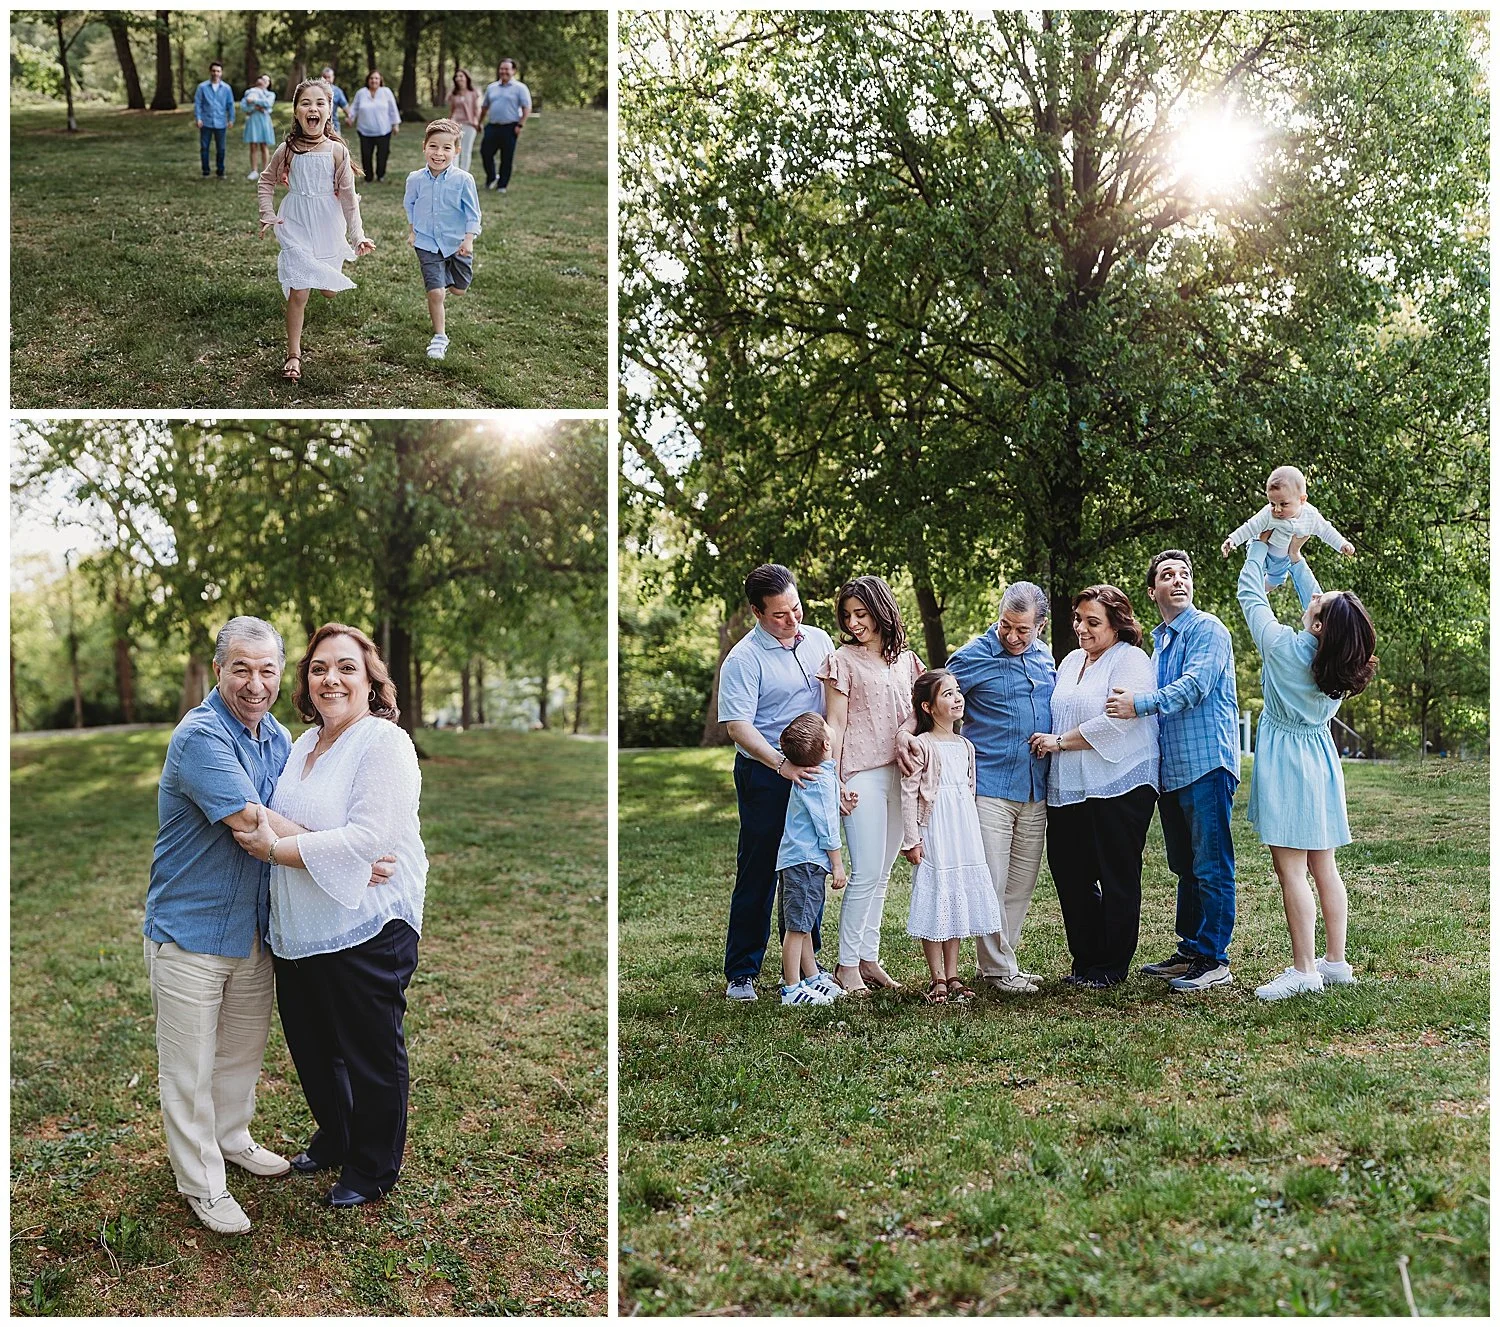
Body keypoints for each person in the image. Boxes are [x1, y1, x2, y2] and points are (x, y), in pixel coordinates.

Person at [143, 616, 393, 1235]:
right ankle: (202, 1183)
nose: (255, 683)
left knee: (239, 1056)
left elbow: (295, 805)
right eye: (241, 669)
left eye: (268, 670)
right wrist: (343, 853)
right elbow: (253, 820)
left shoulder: (279, 738)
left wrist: (337, 845)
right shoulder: (201, 736)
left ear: (280, 675)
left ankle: (232, 1138)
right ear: (217, 669)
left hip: (254, 930)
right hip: (190, 931)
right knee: (189, 1067)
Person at [234, 624, 427, 1205]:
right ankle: (338, 1135)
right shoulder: (299, 747)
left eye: (346, 667)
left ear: (371, 680)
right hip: (300, 927)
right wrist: (325, 847)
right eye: (319, 668)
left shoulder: (384, 744)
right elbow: (272, 816)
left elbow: (369, 838)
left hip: (367, 926)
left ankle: (372, 1166)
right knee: (314, 1050)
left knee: (369, 1053)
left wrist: (278, 849)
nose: (331, 678)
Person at [1237, 534, 1376, 1001]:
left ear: (1320, 626)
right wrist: (1295, 561)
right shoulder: (1337, 660)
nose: (1314, 595)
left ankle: (1303, 970)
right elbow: (1322, 611)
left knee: (1292, 871)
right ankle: (1335, 961)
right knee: (1324, 865)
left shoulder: (1281, 647)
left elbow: (1249, 593)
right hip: (1319, 759)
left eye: (1320, 601)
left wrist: (1260, 548)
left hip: (1287, 763)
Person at [1105, 550, 1240, 993]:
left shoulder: (1208, 630)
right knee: (1185, 865)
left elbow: (1195, 688)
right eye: (1167, 575)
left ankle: (1214, 958)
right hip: (1173, 770)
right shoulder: (1160, 642)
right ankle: (1190, 949)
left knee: (1211, 864)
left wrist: (1137, 705)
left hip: (1207, 764)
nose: (1178, 580)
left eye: (1184, 574)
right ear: (1153, 591)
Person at [717, 564, 836, 1001]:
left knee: (809, 866)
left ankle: (809, 965)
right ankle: (743, 971)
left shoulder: (820, 641)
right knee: (760, 867)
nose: (792, 619)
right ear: (756, 612)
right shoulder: (744, 659)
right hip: (765, 773)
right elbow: (737, 727)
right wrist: (782, 764)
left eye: (796, 608)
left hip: (814, 770)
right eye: (780, 614)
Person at [931, 580, 1055, 995]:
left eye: (1023, 629)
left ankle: (1001, 963)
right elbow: (929, 698)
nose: (1013, 637)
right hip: (989, 785)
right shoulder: (971, 657)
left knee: (1021, 884)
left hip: (1037, 788)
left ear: (1041, 625)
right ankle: (1001, 970)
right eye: (1006, 626)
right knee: (994, 880)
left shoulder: (1045, 658)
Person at [1030, 586, 1159, 988]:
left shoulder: (1131, 660)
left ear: (1116, 624)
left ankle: (1112, 966)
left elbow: (1119, 720)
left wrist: (1059, 742)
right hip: (1069, 785)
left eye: (1092, 622)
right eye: (1078, 619)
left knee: (1117, 874)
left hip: (1119, 783)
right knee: (1070, 875)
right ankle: (1085, 960)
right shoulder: (1070, 661)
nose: (1081, 629)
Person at [817, 575, 923, 996]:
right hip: (860, 774)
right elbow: (836, 725)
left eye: (861, 614)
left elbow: (918, 712)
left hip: (900, 773)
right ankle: (846, 967)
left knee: (882, 874)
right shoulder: (841, 661)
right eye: (847, 615)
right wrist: (834, 778)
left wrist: (905, 733)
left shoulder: (907, 661)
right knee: (863, 872)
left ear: (882, 611)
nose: (854, 622)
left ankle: (868, 959)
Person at [256, 80, 375, 384]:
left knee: (329, 290)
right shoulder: (287, 149)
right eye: (305, 103)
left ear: (328, 111)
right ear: (296, 112)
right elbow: (266, 181)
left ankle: (328, 277)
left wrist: (358, 234)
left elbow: (348, 198)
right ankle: (293, 355)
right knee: (300, 290)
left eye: (320, 103)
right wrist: (267, 213)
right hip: (295, 223)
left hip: (327, 223)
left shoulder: (337, 151)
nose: (313, 108)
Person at [899, 670, 1005, 1004]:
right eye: (947, 694)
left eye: (957, 692)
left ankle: (954, 973)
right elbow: (909, 793)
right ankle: (937, 978)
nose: (956, 698)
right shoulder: (922, 745)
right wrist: (912, 839)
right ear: (928, 707)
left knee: (956, 897)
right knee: (936, 897)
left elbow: (968, 790)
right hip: (936, 828)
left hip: (962, 829)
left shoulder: (965, 745)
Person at [773, 713, 848, 1007]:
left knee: (803, 921)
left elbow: (823, 810)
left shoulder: (819, 774)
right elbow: (827, 827)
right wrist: (838, 864)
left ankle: (812, 976)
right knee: (797, 927)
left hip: (798, 859)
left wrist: (842, 801)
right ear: (827, 743)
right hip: (806, 860)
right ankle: (792, 989)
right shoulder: (819, 780)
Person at [405, 118, 482, 362]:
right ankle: (440, 337)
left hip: (456, 243)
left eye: (446, 148)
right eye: (434, 146)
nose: (439, 153)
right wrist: (412, 230)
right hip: (426, 242)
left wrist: (468, 239)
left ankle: (447, 275)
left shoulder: (463, 180)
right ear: (424, 147)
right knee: (436, 293)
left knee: (459, 289)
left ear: (456, 151)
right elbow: (410, 205)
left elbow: (473, 213)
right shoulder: (415, 179)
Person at [1222, 464, 1354, 589]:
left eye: (1283, 504)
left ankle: (1263, 590)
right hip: (1262, 550)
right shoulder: (1268, 514)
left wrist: (1342, 544)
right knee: (1254, 571)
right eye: (1272, 503)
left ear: (1302, 500)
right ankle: (1253, 589)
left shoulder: (1310, 516)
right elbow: (1250, 526)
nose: (1277, 509)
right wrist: (1233, 539)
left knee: (1277, 579)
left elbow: (1326, 530)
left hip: (1281, 559)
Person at [478, 58, 531, 192]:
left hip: (510, 126)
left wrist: (520, 125)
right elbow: (484, 107)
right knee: (485, 152)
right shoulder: (492, 87)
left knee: (506, 157)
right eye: (501, 69)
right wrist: (479, 122)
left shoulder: (520, 88)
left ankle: (502, 185)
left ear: (513, 71)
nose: (503, 71)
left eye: (507, 69)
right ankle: (491, 177)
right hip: (493, 126)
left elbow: (527, 108)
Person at [347, 70, 401, 183]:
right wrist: (350, 118)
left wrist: (395, 124)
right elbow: (354, 107)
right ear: (368, 80)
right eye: (371, 78)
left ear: (380, 80)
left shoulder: (386, 92)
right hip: (364, 131)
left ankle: (380, 175)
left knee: (382, 154)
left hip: (383, 130)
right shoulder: (361, 93)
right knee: (366, 155)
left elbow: (392, 109)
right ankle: (368, 177)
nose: (374, 80)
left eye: (376, 78)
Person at [193, 61, 236, 179]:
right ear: (210, 72)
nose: (215, 73)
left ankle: (220, 172)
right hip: (205, 122)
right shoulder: (202, 87)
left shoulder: (226, 88)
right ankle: (205, 172)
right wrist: (198, 118)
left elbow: (230, 104)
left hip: (221, 123)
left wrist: (231, 119)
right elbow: (198, 104)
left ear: (221, 73)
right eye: (213, 71)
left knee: (221, 149)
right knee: (204, 148)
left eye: (218, 71)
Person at [447, 68, 482, 174]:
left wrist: (477, 122)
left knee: (466, 150)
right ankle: (455, 173)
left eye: (461, 76)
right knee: (455, 149)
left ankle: (464, 174)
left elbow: (477, 109)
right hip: (456, 124)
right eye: (457, 76)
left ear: (466, 78)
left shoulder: (474, 92)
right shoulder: (454, 93)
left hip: (470, 124)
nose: (458, 78)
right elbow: (452, 109)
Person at [241, 74, 275, 181]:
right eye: (262, 79)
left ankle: (265, 171)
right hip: (253, 120)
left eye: (267, 80)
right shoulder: (249, 92)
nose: (263, 81)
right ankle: (254, 170)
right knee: (253, 145)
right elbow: (244, 106)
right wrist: (258, 107)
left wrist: (255, 102)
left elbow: (268, 104)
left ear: (269, 84)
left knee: (264, 146)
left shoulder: (270, 94)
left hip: (264, 121)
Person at [320, 66, 349, 136]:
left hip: (334, 129)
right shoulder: (315, 90)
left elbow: (346, 108)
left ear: (333, 78)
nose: (327, 79)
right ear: (321, 77)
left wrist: (349, 118)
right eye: (324, 77)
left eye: (329, 77)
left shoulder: (338, 92)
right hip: (318, 129)